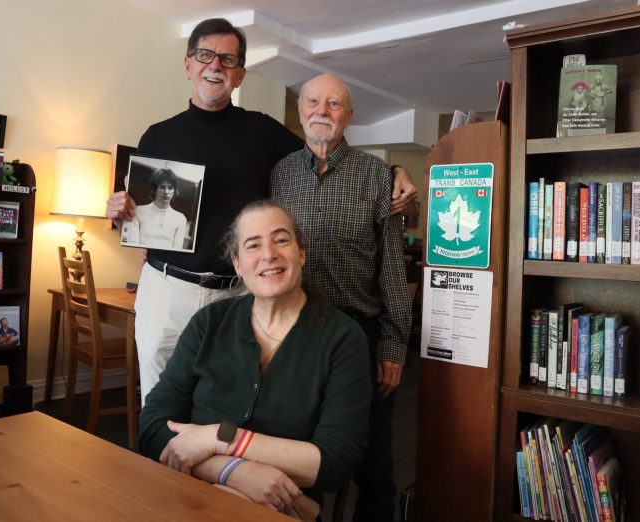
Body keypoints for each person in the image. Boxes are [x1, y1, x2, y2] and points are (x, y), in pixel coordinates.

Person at [105, 18, 418, 404]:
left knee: (223, 400)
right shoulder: (156, 135)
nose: (215, 66)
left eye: (227, 59)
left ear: (239, 75)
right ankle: (158, 467)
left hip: (237, 295)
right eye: (205, 55)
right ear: (188, 65)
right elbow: (133, 206)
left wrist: (394, 172)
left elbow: (323, 147)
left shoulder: (264, 132)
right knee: (158, 398)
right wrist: (116, 209)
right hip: (166, 289)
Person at [139, 201, 371, 519]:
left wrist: (219, 438)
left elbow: (334, 462)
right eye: (253, 245)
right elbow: (152, 426)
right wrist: (231, 470)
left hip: (280, 507)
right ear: (237, 263)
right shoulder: (209, 322)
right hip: (186, 493)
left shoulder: (343, 338)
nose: (268, 254)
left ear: (301, 253)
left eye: (281, 240)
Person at [270, 73, 411, 522]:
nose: (321, 111)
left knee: (373, 460)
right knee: (291, 448)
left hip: (359, 333)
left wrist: (393, 345)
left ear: (349, 116)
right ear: (300, 111)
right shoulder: (279, 174)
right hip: (295, 331)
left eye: (334, 104)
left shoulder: (376, 176)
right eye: (312, 102)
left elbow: (392, 267)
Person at [121, 168, 188, 250]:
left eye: (170, 188)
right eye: (162, 187)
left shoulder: (180, 218)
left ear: (174, 191)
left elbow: (176, 251)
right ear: (155, 189)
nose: (166, 192)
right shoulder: (138, 211)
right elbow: (133, 247)